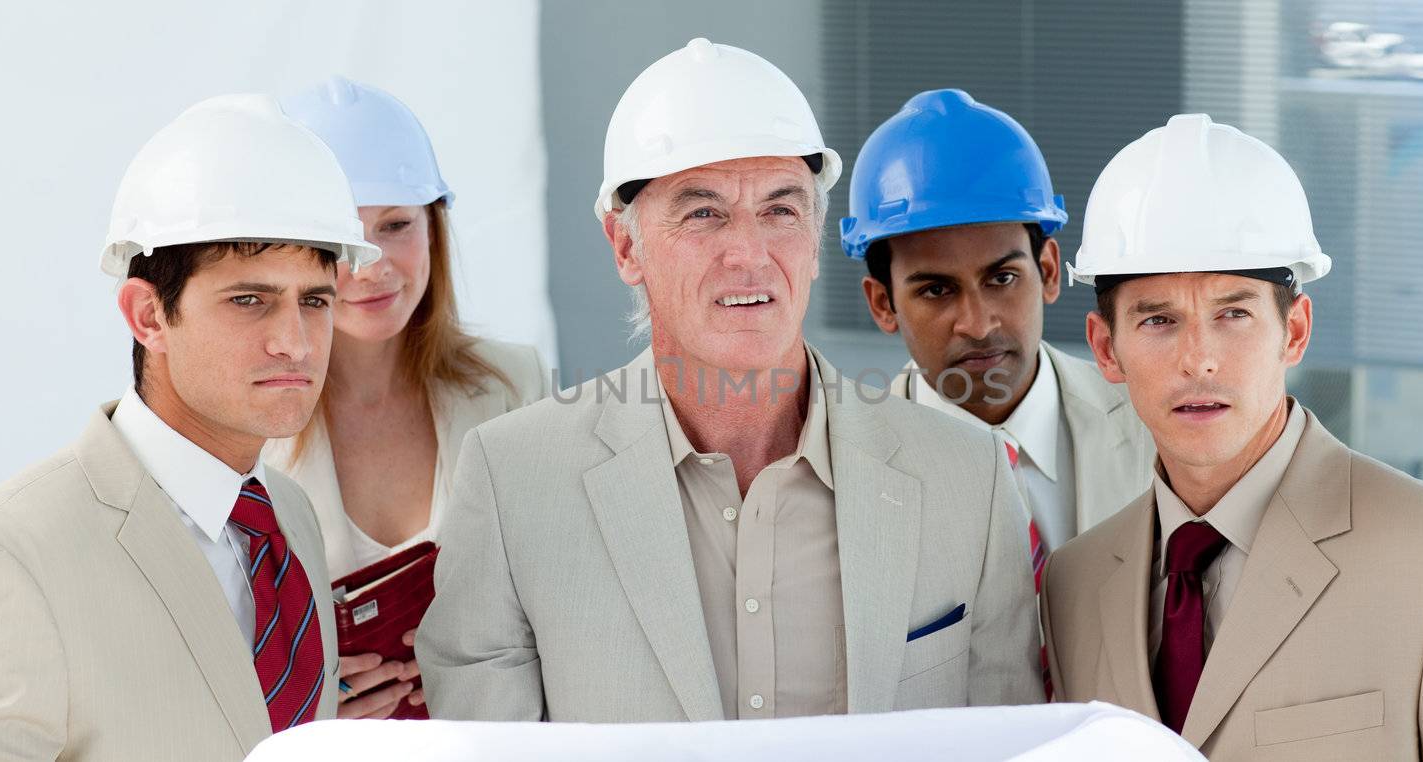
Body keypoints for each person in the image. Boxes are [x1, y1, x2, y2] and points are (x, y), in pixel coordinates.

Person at [417, 38, 1042, 723]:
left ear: (813, 239)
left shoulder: (966, 479)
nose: (749, 254)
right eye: (703, 212)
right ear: (627, 246)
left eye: (780, 209)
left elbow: (1003, 743)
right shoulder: (513, 485)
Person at [1040, 114, 1423, 759]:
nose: (1199, 360)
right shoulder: (1075, 583)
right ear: (1106, 350)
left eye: (1233, 314)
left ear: (1293, 331)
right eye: (1158, 321)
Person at [0, 94, 378, 761]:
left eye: (314, 300)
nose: (296, 343)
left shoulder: (290, 518)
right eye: (249, 300)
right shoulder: (15, 550)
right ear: (148, 316)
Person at [268, 76, 550, 720]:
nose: (373, 266)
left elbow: (573, 598)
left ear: (434, 230)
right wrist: (307, 701)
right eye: (344, 237)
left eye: (396, 225)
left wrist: (482, 663)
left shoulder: (516, 386)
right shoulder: (243, 416)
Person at [845, 88, 1154, 567]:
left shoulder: (1154, 427)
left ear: (1049, 271)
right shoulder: (842, 478)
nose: (978, 323)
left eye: (1003, 278)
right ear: (883, 304)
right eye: (936, 290)